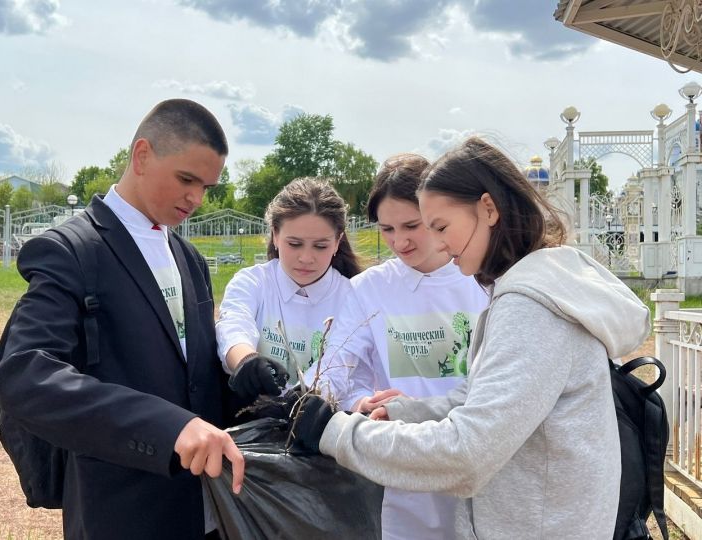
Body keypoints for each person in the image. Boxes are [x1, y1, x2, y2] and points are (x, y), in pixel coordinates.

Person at [293, 137, 650, 539]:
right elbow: (476, 397)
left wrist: (336, 433)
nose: (437, 243)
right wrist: (403, 413)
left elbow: (467, 455)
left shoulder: (531, 308)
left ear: (488, 208)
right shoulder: (534, 285)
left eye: (438, 227)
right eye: (390, 229)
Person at [0, 99, 244, 540]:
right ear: (142, 155)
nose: (197, 199)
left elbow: (194, 378)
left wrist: (251, 382)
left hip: (205, 512)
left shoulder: (190, 259)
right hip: (120, 511)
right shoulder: (72, 251)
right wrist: (167, 427)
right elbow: (25, 374)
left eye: (207, 187)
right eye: (187, 179)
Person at [303, 154, 489, 539]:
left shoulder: (482, 280)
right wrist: (358, 403)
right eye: (386, 228)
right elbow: (336, 368)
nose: (399, 241)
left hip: (478, 461)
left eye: (412, 225)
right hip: (401, 472)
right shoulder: (369, 289)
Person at [216, 177, 362, 403]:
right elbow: (234, 326)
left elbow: (341, 366)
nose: (306, 258)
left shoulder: (352, 296)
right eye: (294, 244)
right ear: (275, 235)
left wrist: (302, 403)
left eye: (320, 246)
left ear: (337, 242)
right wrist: (247, 361)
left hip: (322, 423)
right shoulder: (252, 282)